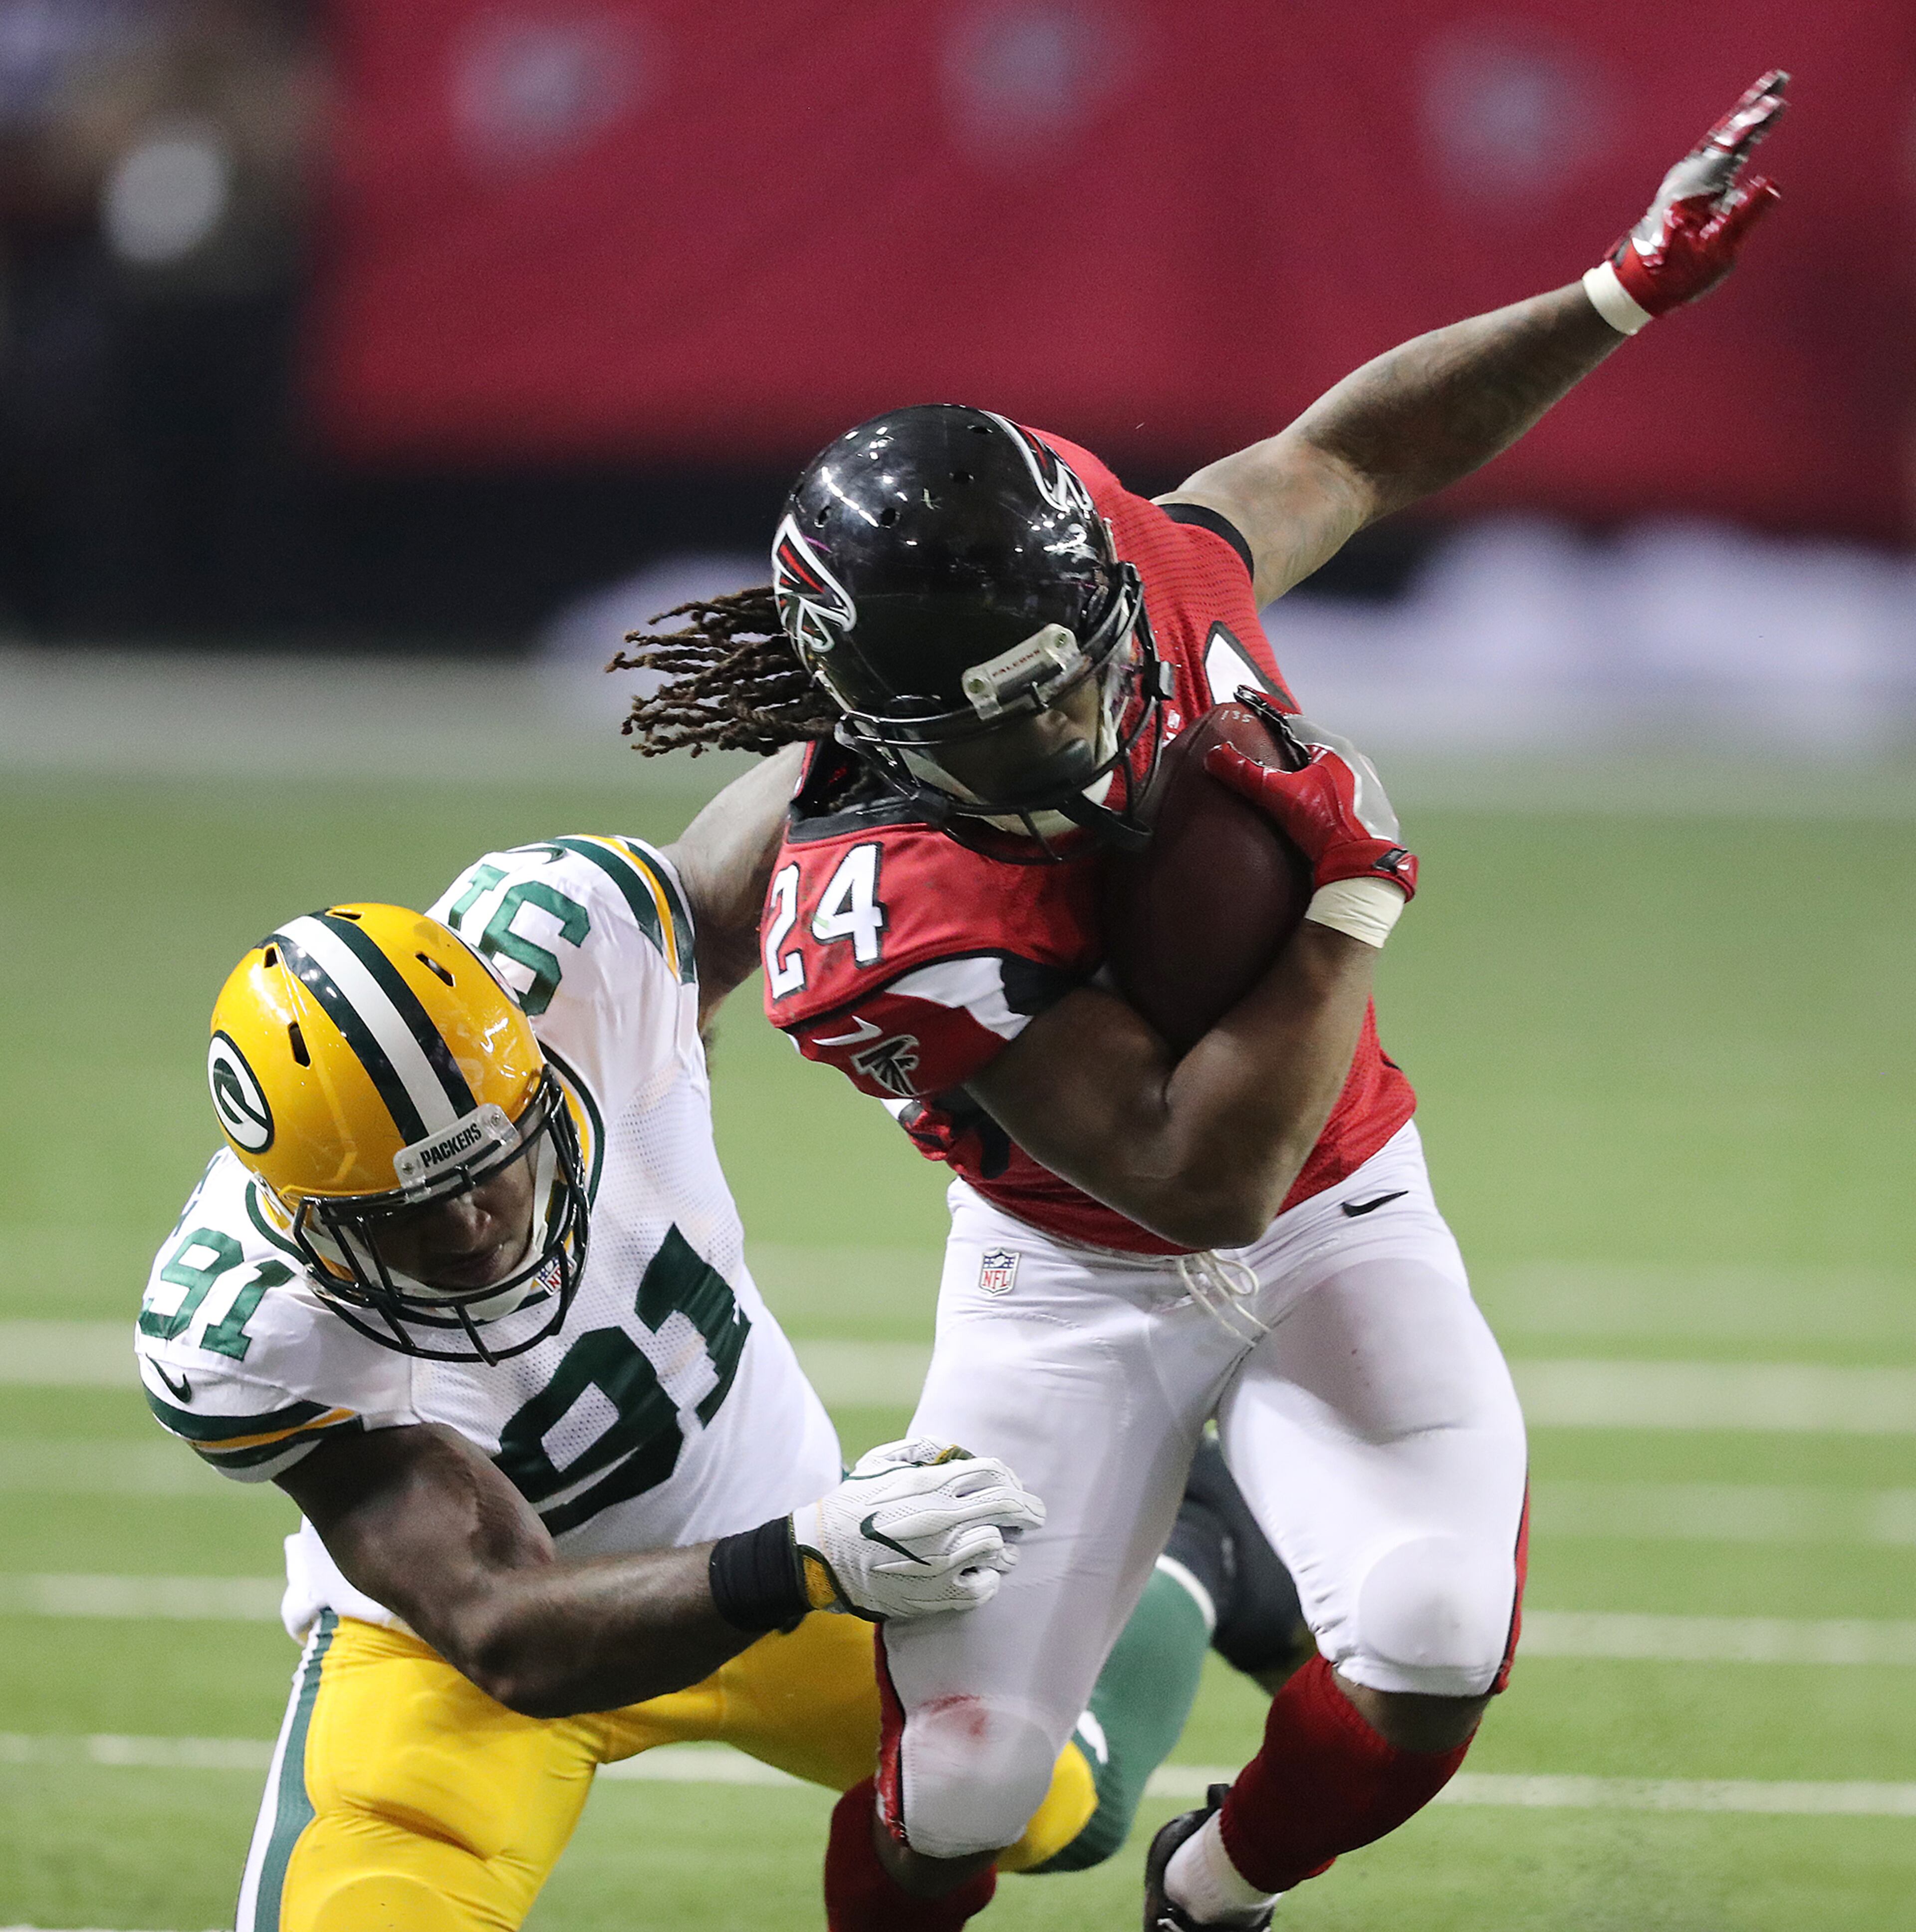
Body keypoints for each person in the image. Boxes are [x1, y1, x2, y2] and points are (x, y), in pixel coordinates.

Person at [611, 74, 1789, 1931]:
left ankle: (1210, 1892)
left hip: (1347, 1213)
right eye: (1014, 717)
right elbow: (1193, 1177)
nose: (1086, 725)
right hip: (1074, 1275)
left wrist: (1617, 291)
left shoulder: (1138, 580)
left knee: (1429, 1639)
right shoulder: (879, 897)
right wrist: (1349, 896)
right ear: (888, 728)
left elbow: (1350, 454)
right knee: (971, 1777)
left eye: (1078, 673)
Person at [135, 829, 1293, 1931]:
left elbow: (829, 801)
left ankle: (1198, 1540)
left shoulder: (576, 955)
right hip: (496, 1652)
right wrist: (810, 1555)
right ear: (304, 1209)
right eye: (403, 1213)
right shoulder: (249, 1323)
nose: (469, 1224)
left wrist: (911, 690)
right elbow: (502, 1625)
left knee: (1044, 1803)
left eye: (492, 1159)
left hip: (790, 1551)